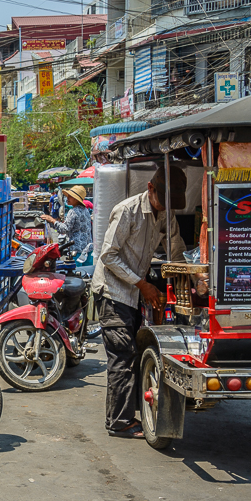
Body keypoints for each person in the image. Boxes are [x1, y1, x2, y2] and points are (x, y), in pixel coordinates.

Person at [91, 166, 187, 438]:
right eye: (161, 201)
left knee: (133, 354)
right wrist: (143, 284)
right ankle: (118, 423)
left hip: (132, 293)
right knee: (123, 356)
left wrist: (189, 278)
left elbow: (176, 248)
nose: (165, 208)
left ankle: (128, 414)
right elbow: (108, 256)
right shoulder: (127, 210)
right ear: (150, 188)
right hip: (114, 293)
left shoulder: (165, 214)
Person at [43, 184, 92, 256]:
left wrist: (53, 220)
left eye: (70, 196)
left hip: (76, 250)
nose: (67, 198)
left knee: (76, 267)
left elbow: (64, 229)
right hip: (88, 249)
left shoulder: (73, 211)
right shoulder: (86, 210)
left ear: (76, 199)